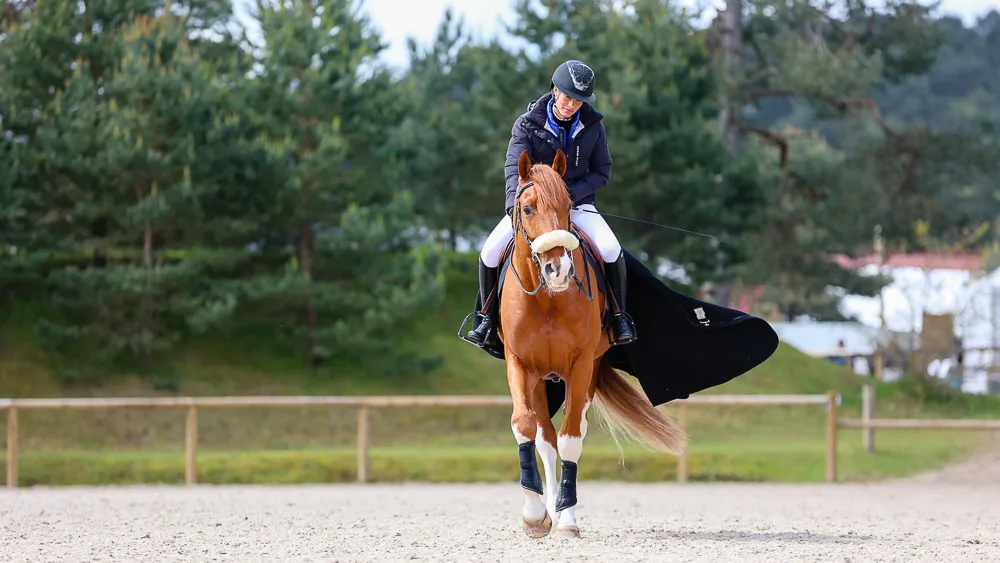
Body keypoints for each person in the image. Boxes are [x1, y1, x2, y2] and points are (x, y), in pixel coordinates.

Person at [464, 59, 636, 347]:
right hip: (532, 210)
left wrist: (567, 195)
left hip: (576, 205)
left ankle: (619, 317)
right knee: (490, 251)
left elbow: (602, 172)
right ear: (555, 90)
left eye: (579, 101)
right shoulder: (527, 125)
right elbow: (512, 170)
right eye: (568, 97)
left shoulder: (593, 127)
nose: (572, 105)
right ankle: (484, 318)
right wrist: (514, 207)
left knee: (610, 248)